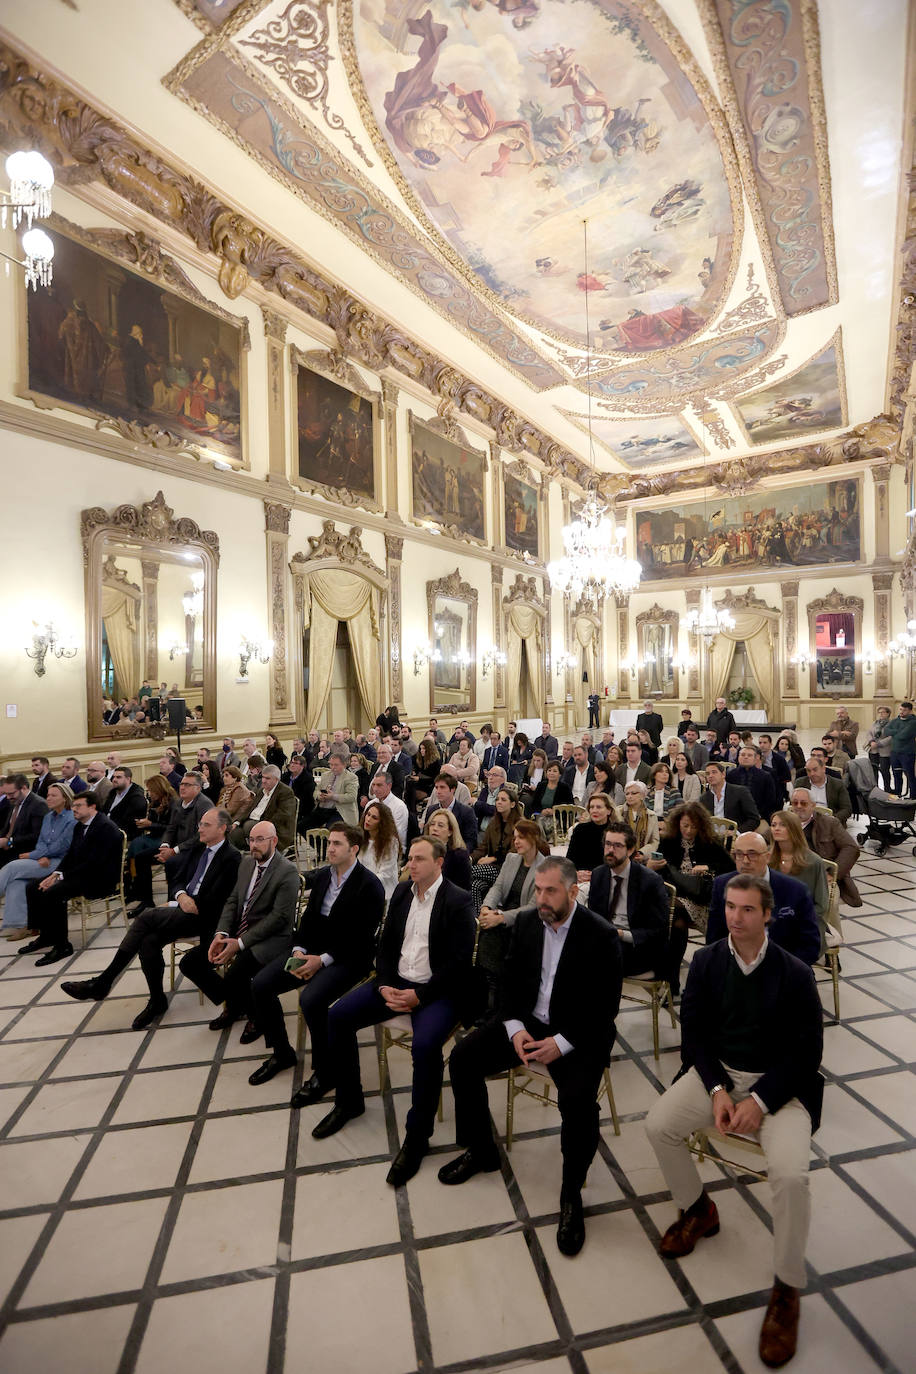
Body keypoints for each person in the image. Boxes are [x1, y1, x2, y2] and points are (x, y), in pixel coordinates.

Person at [645, 874, 823, 1369]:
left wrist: (760, 1101)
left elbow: (807, 1054)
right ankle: (698, 1209)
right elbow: (695, 1035)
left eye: (747, 909)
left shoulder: (794, 973)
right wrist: (718, 1090)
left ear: (767, 915)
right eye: (729, 907)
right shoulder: (706, 961)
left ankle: (787, 1286)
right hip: (720, 1075)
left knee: (791, 1175)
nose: (735, 917)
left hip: (780, 1088)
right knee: (659, 1125)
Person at [439, 856, 623, 1256]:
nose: (541, 898)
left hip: (578, 1033)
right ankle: (482, 1150)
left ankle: (571, 1192)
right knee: (463, 1059)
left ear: (572, 892)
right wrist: (515, 1028)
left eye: (550, 891)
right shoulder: (526, 922)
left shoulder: (600, 934)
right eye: (538, 890)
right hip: (528, 1024)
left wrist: (562, 1043)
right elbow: (508, 983)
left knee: (578, 1103)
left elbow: (604, 1007)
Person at [312, 835, 476, 1187]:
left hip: (438, 991)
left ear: (439, 863)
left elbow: (460, 963)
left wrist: (420, 997)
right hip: (395, 981)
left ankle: (417, 1136)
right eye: (409, 858)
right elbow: (385, 946)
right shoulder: (402, 892)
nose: (410, 865)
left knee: (425, 1046)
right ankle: (349, 1101)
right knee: (338, 1016)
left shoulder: (458, 900)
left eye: (418, 859)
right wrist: (385, 983)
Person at [60, 807, 242, 1029]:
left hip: (206, 917)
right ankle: (157, 1000)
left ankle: (103, 982)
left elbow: (218, 900)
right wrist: (180, 896)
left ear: (222, 828)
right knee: (148, 942)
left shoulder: (232, 857)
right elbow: (177, 879)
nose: (200, 829)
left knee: (146, 917)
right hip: (184, 908)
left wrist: (183, 903)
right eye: (200, 824)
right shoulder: (198, 848)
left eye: (206, 825)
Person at [248, 823, 385, 1093]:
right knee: (260, 984)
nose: (329, 848)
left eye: (336, 844)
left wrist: (321, 960)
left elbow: (361, 938)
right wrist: (299, 950)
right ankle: (282, 1052)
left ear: (354, 849)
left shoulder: (370, 885)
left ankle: (326, 1070)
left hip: (349, 957)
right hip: (313, 948)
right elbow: (308, 920)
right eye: (329, 842)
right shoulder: (324, 876)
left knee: (311, 1000)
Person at [179, 820, 299, 1031]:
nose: (254, 845)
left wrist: (240, 943)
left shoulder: (287, 871)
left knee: (236, 973)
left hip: (270, 937)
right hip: (238, 929)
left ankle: (255, 1017)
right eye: (251, 840)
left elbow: (278, 918)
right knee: (190, 963)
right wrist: (221, 933)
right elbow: (233, 900)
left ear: (274, 841)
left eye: (260, 840)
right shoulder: (246, 863)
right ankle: (240, 1004)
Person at [19, 791, 123, 965]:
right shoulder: (80, 825)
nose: (73, 809)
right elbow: (71, 855)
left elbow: (95, 863)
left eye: (78, 806)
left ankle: (62, 946)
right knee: (33, 886)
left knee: (54, 893)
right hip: (83, 873)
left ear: (92, 807)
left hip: (100, 878)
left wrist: (62, 876)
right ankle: (46, 936)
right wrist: (56, 873)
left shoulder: (106, 827)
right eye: (73, 805)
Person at [649, 801, 735, 994]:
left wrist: (708, 869)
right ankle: (671, 978)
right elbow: (660, 873)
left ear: (701, 826)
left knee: (673, 914)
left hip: (700, 899)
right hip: (675, 895)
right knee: (676, 921)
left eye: (693, 826)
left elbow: (730, 869)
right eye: (685, 825)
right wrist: (653, 866)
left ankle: (669, 978)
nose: (688, 830)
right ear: (678, 823)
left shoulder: (710, 843)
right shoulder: (669, 841)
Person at [705, 830, 820, 965]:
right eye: (739, 854)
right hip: (733, 964)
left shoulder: (795, 891)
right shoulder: (722, 885)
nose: (745, 861)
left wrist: (784, 970)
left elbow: (810, 946)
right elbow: (714, 937)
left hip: (784, 967)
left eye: (752, 854)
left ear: (767, 857)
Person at [588, 822, 669, 974]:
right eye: (608, 844)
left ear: (630, 850)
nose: (610, 850)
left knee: (599, 958)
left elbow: (658, 930)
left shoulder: (649, 881)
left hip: (636, 946)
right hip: (606, 939)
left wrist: (622, 934)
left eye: (617, 846)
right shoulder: (599, 874)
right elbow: (593, 916)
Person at [0, 782, 76, 940]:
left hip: (61, 863)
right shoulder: (48, 817)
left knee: (12, 868)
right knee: (16, 882)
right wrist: (40, 855)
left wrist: (33, 855)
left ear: (65, 798)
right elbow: (41, 841)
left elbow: (62, 846)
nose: (48, 798)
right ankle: (22, 925)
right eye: (48, 795)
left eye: (53, 795)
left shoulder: (71, 818)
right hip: (44, 859)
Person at [769, 811, 830, 953]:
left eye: (782, 825)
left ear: (794, 829)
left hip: (804, 922)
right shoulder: (767, 859)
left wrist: (793, 919)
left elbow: (821, 905)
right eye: (773, 825)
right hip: (772, 920)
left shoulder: (813, 862)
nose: (776, 828)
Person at [790, 788, 862, 907]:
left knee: (825, 902)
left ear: (813, 805)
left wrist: (833, 874)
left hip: (821, 876)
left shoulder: (829, 823)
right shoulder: (784, 823)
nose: (798, 806)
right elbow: (765, 840)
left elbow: (851, 848)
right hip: (791, 874)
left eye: (803, 803)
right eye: (795, 803)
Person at [123, 774, 177, 906]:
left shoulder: (173, 803)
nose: (150, 793)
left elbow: (171, 828)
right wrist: (145, 823)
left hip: (167, 839)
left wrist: (150, 824)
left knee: (139, 850)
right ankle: (136, 888)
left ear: (159, 789)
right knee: (136, 844)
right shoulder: (156, 802)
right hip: (156, 835)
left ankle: (138, 890)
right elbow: (154, 823)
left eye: (151, 790)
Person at [230, 765, 298, 852]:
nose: (263, 781)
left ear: (276, 779)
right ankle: (245, 855)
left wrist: (264, 825)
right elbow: (250, 808)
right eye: (263, 777)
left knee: (249, 827)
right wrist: (237, 822)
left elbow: (284, 814)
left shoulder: (285, 792)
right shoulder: (261, 790)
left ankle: (257, 853)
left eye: (267, 778)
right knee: (232, 833)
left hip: (273, 827)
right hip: (252, 823)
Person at [0, 774, 48, 872]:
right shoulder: (15, 801)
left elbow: (37, 836)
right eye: (6, 794)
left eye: (11, 794)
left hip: (23, 853)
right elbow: (7, 829)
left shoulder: (38, 805)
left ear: (24, 788)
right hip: (7, 849)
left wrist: (9, 841)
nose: (8, 797)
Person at [566, 792, 617, 881]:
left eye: (599, 807)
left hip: (606, 878)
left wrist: (595, 875)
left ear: (609, 810)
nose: (594, 810)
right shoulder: (580, 829)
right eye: (591, 807)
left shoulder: (616, 831)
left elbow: (618, 863)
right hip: (580, 877)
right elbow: (570, 858)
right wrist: (576, 874)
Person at [700, 760, 760, 833]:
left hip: (735, 835)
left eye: (714, 772)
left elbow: (754, 819)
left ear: (723, 774)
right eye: (707, 774)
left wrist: (736, 832)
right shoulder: (704, 798)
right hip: (712, 836)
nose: (710, 776)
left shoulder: (740, 792)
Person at [423, 772, 478, 851]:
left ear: (452, 789)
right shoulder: (431, 810)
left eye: (442, 787)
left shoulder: (466, 812)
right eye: (436, 787)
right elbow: (426, 835)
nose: (438, 791)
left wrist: (461, 854)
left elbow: (471, 841)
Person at [792, 751, 852, 824]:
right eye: (808, 771)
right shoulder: (800, 783)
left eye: (815, 770)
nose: (812, 773)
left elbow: (847, 809)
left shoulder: (837, 784)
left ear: (823, 769)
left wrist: (833, 818)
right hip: (805, 820)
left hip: (830, 822)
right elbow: (793, 805)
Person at [360, 801, 401, 899]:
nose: (368, 819)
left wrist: (364, 884)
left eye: (374, 818)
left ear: (382, 823)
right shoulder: (360, 837)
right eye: (368, 814)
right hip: (362, 887)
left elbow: (385, 874)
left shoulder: (391, 842)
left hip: (384, 891)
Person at [310, 747, 360, 828]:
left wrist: (333, 796)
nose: (333, 767)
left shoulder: (351, 777)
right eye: (331, 764)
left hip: (340, 811)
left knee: (331, 829)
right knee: (302, 825)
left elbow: (352, 797)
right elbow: (316, 790)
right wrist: (319, 796)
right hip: (323, 808)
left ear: (344, 765)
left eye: (336, 765)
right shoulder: (325, 775)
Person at [423, 810, 472, 890]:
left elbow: (463, 890)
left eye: (440, 825)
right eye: (432, 824)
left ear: (450, 831)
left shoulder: (459, 856)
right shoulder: (420, 851)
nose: (435, 828)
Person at [730, 745, 780, 821]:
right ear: (738, 757)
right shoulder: (731, 775)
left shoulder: (765, 776)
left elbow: (770, 800)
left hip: (760, 816)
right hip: (735, 816)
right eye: (742, 755)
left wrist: (759, 814)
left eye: (749, 755)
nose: (745, 757)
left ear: (755, 758)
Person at [102, 766, 148, 841]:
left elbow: (129, 823)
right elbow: (104, 811)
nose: (114, 780)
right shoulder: (113, 792)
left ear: (128, 779)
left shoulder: (136, 797)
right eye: (113, 777)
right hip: (108, 828)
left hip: (124, 834)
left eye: (118, 777)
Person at [880, 701, 916, 797]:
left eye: (904, 710)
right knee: (896, 774)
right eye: (900, 709)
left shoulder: (913, 722)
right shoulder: (895, 720)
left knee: (909, 775)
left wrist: (894, 732)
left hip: (907, 753)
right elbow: (886, 731)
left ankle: (913, 796)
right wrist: (898, 731)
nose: (901, 712)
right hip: (895, 752)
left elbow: (903, 736)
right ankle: (898, 793)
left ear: (910, 711)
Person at [864, 706, 893, 790]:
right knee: (874, 770)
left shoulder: (892, 724)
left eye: (883, 712)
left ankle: (887, 788)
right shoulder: (875, 723)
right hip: (873, 750)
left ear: (888, 713)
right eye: (879, 712)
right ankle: (875, 788)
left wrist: (879, 743)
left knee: (884, 770)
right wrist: (871, 741)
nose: (881, 714)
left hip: (885, 751)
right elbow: (869, 733)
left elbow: (891, 737)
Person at [759, 734, 792, 804]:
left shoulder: (779, 759)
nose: (762, 745)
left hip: (775, 789)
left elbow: (786, 776)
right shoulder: (756, 757)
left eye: (765, 743)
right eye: (760, 743)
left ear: (770, 744)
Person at [563, 745, 595, 809]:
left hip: (588, 803)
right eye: (575, 755)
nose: (577, 757)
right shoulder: (568, 771)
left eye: (580, 755)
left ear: (586, 754)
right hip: (571, 803)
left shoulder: (594, 770)